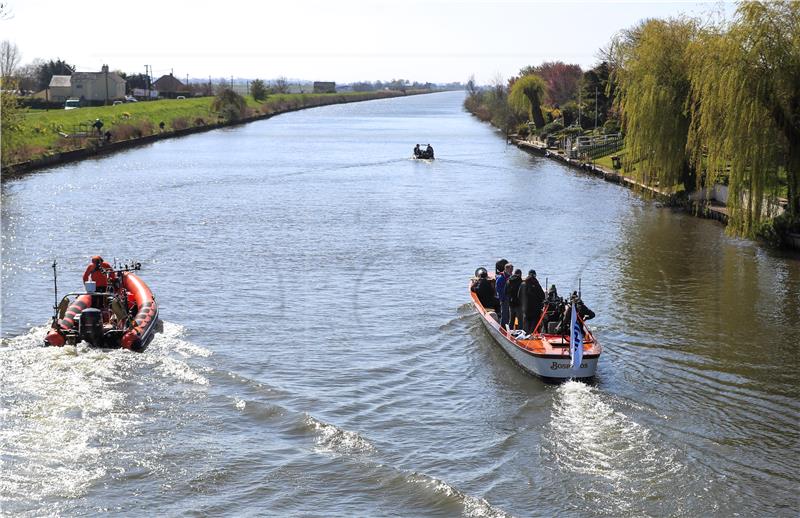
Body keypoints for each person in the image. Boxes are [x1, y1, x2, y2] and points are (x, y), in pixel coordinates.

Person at [519, 270, 545, 334]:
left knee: (526, 324)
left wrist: (523, 303)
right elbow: (542, 296)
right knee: (534, 325)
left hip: (526, 308)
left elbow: (519, 295)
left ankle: (525, 336)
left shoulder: (523, 284)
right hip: (535, 309)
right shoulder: (536, 283)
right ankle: (532, 336)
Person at [495, 262, 513, 329]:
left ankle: (508, 326)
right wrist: (503, 298)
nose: (511, 271)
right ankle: (503, 327)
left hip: (510, 298)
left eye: (512, 270)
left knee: (509, 313)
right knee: (504, 313)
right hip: (504, 298)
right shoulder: (501, 278)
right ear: (506, 269)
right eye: (510, 270)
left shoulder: (510, 277)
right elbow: (498, 289)